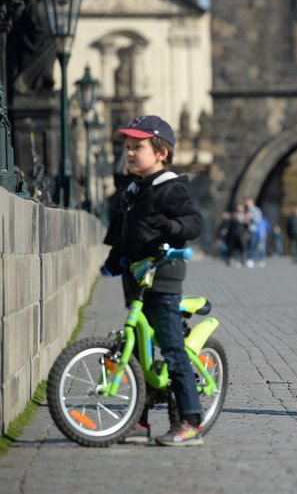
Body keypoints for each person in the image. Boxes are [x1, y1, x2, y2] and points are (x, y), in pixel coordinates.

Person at [102, 115, 205, 446]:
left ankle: (190, 421)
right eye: (128, 148)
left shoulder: (171, 188)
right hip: (136, 278)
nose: (130, 153)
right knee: (138, 350)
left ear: (161, 152)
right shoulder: (131, 190)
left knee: (172, 349)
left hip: (162, 277)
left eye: (138, 147)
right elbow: (122, 235)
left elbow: (193, 223)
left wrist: (171, 228)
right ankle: (140, 422)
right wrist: (114, 259)